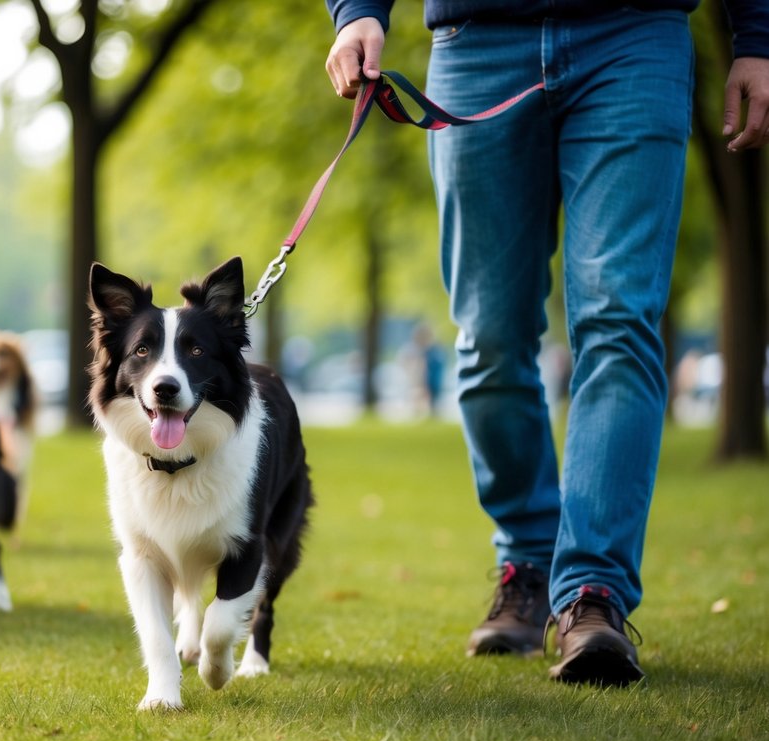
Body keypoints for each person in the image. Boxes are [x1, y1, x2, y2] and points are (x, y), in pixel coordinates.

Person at [323, 1, 769, 686]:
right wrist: (357, 10)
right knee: (489, 337)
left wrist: (758, 33)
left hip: (634, 34)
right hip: (476, 43)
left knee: (618, 324)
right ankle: (527, 564)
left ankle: (592, 594)